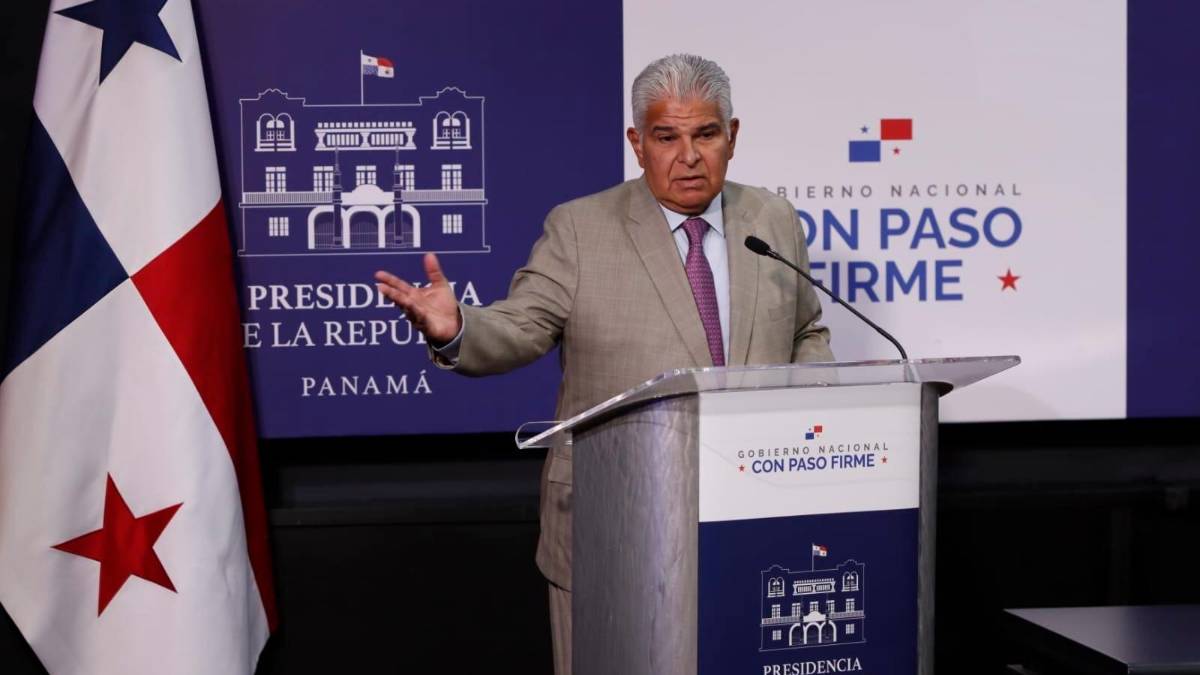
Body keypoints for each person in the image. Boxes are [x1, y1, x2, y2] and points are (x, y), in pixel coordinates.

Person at [375, 53, 833, 674]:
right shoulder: (580, 228)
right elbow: (523, 326)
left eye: (705, 134)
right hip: (616, 521)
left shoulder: (772, 218)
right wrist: (460, 329)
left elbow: (805, 327)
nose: (689, 157)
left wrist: (813, 406)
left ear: (732, 136)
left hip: (754, 512)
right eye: (666, 138)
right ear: (637, 143)